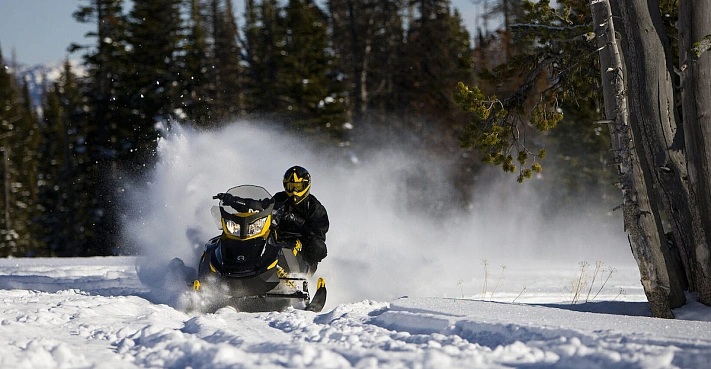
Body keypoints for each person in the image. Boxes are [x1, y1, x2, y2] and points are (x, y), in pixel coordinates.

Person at [273, 166, 329, 273]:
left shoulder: (314, 207)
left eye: (298, 186)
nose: (294, 191)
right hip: (278, 239)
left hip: (302, 245)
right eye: (291, 187)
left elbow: (318, 233)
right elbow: (265, 206)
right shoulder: (279, 198)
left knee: (318, 247)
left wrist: (297, 221)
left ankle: (301, 274)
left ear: (306, 185)